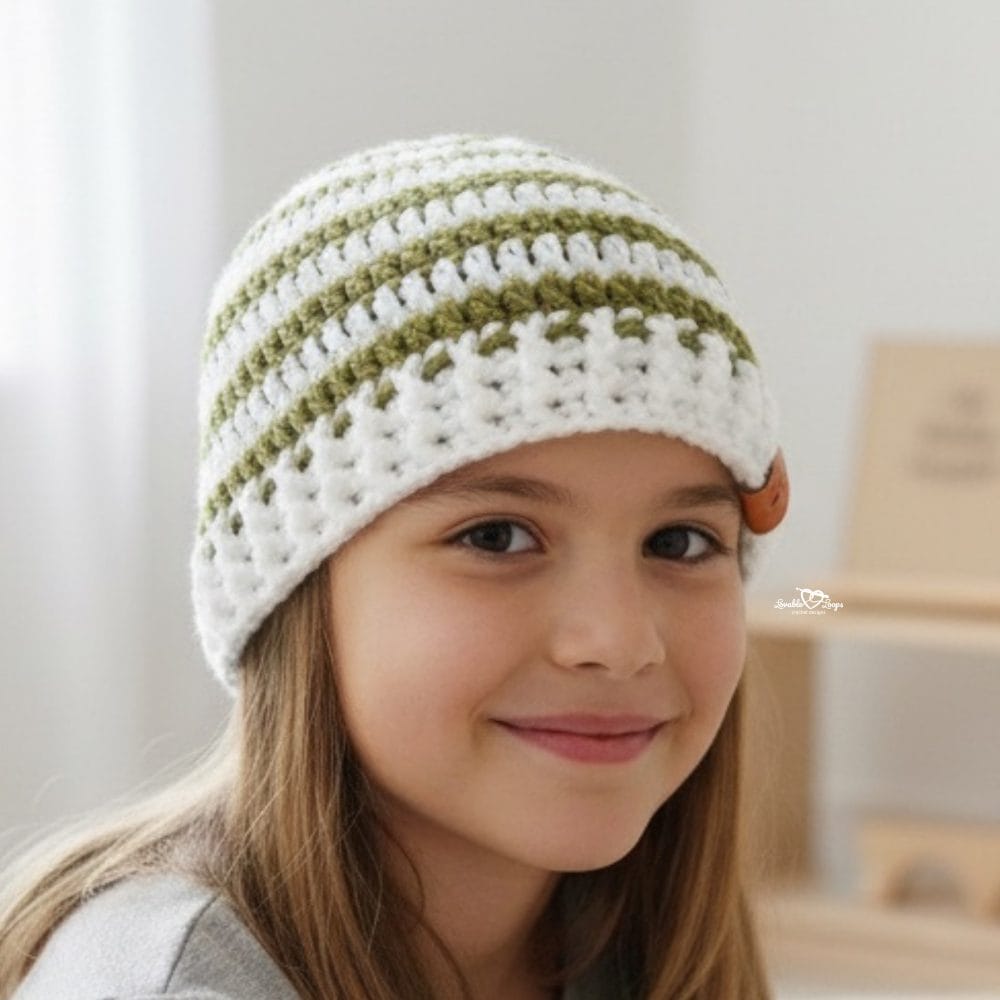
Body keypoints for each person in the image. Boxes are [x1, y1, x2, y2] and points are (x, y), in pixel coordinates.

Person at [0, 132, 789, 999]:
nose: (619, 640)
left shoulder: (628, 938)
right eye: (496, 537)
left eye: (679, 543)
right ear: (291, 585)